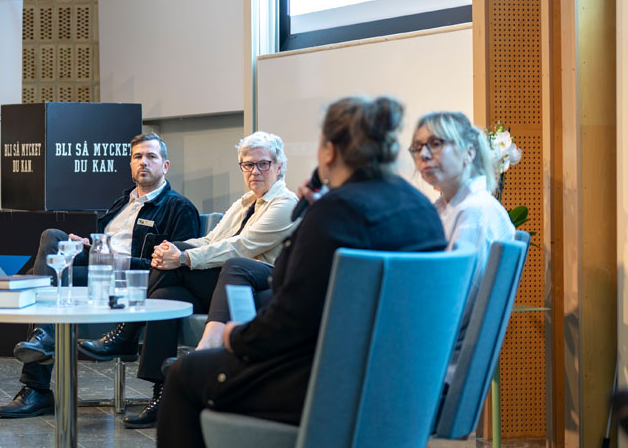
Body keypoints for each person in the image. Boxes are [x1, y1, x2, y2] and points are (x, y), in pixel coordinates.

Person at [156, 96, 446, 447]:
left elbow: (290, 312)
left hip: (329, 384)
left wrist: (236, 337)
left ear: (329, 152)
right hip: (405, 385)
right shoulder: (422, 210)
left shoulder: (336, 213)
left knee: (183, 374)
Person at [76, 131, 299, 428]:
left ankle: (127, 335)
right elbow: (210, 239)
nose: (254, 171)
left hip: (257, 286)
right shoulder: (245, 202)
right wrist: (174, 249)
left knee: (194, 262)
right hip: (221, 281)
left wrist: (183, 258)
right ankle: (162, 395)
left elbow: (241, 247)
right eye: (248, 165)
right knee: (165, 295)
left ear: (279, 166)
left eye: (263, 164)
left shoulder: (285, 203)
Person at [0, 132, 199, 419]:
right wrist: (90, 245)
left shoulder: (180, 208)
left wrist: (117, 259)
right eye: (138, 157)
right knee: (52, 238)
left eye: (151, 156)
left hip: (130, 280)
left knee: (42, 279)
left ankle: (37, 384)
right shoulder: (121, 203)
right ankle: (43, 338)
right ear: (130, 164)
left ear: (165, 166)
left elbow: (175, 267)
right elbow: (105, 244)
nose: (144, 162)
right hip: (99, 268)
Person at [410, 111, 515, 376]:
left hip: (439, 369)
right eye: (417, 147)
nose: (423, 155)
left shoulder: (474, 212)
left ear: (469, 153)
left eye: (435, 144)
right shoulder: (445, 209)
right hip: (434, 360)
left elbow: (453, 309)